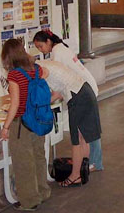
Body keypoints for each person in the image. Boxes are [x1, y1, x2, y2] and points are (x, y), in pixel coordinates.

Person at [33, 30, 104, 172]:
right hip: (84, 88)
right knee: (86, 130)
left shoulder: (57, 53)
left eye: (41, 46)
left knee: (86, 131)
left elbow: (59, 83)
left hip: (81, 90)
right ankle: (89, 163)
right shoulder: (60, 48)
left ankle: (93, 163)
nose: (41, 50)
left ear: (48, 41)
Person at [0, 38, 51, 212]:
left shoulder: (14, 75)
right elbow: (47, 73)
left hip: (22, 123)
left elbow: (15, 104)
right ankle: (43, 191)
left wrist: (6, 127)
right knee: (38, 156)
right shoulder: (36, 69)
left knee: (23, 161)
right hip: (38, 119)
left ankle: (29, 200)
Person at [38, 59, 102, 187]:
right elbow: (57, 94)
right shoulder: (47, 63)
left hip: (77, 96)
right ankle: (83, 172)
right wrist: (41, 103)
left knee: (76, 140)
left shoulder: (40, 70)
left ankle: (75, 176)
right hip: (85, 91)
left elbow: (41, 84)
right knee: (83, 137)